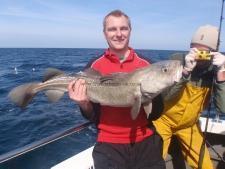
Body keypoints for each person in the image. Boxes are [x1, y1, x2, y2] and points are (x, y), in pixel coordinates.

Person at [68, 10, 166, 169]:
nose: (119, 34)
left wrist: (155, 91)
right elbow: (92, 116)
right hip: (109, 147)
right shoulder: (94, 66)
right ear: (104, 33)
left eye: (123, 28)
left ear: (130, 31)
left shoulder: (147, 65)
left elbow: (157, 113)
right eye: (112, 29)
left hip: (146, 143)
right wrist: (84, 104)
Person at [153, 25, 225, 169]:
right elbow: (163, 98)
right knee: (153, 162)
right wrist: (184, 72)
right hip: (163, 121)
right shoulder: (176, 61)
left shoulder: (217, 69)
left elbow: (222, 108)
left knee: (205, 166)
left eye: (205, 53)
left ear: (214, 53)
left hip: (189, 125)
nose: (199, 56)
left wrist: (221, 74)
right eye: (195, 50)